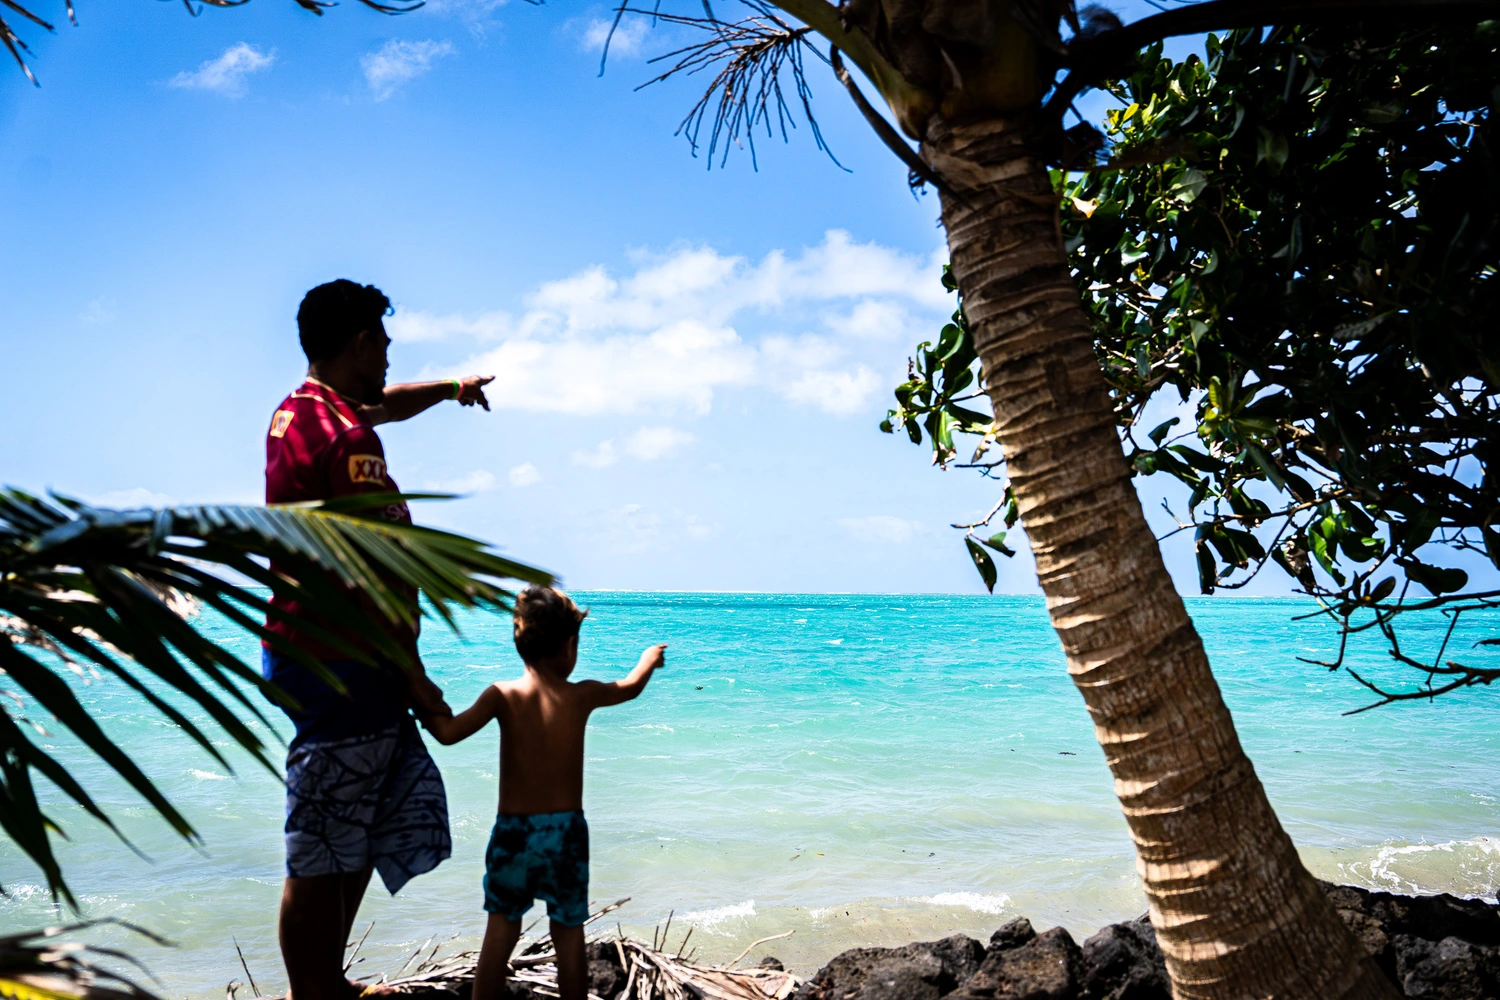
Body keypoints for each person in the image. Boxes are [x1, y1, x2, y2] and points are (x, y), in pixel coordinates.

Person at [263, 278, 494, 1000]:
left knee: (361, 820)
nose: (392, 356)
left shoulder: (308, 414)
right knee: (324, 840)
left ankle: (325, 978)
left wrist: (453, 387)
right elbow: (366, 573)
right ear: (361, 342)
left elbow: (385, 405)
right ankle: (315, 991)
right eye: (385, 342)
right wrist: (414, 675)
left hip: (331, 653)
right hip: (344, 656)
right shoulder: (341, 435)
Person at [421, 586, 668, 1000]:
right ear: (570, 645)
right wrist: (648, 660)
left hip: (512, 834)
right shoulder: (581, 695)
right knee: (568, 936)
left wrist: (423, 700)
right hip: (566, 834)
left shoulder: (502, 695)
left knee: (500, 933)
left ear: (520, 644)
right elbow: (629, 687)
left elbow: (448, 733)